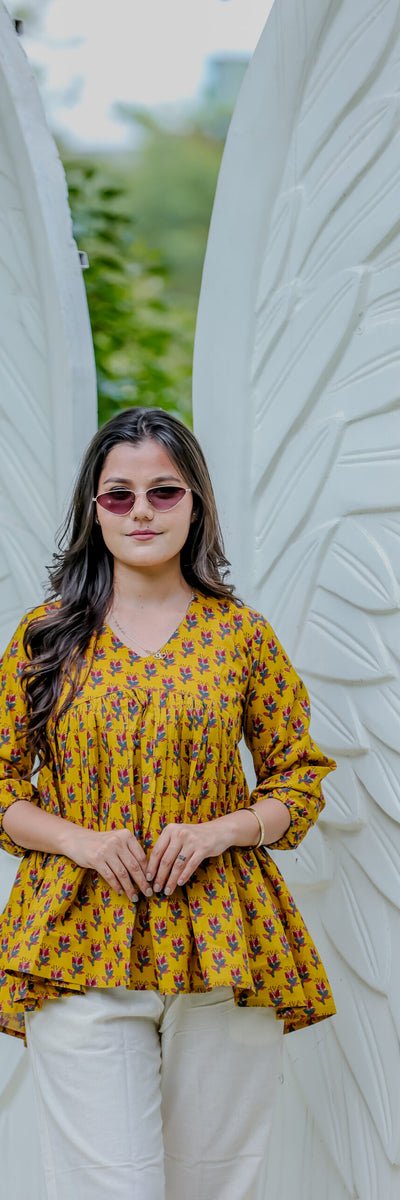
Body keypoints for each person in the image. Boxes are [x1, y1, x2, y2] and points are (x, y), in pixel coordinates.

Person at [0, 407, 336, 1200]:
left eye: (163, 491)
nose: (142, 511)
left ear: (196, 504)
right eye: (118, 495)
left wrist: (226, 829)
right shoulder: (46, 638)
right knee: (105, 1188)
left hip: (223, 941)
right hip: (77, 940)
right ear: (93, 507)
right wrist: (80, 841)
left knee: (213, 1189)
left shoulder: (242, 637)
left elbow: (297, 776)